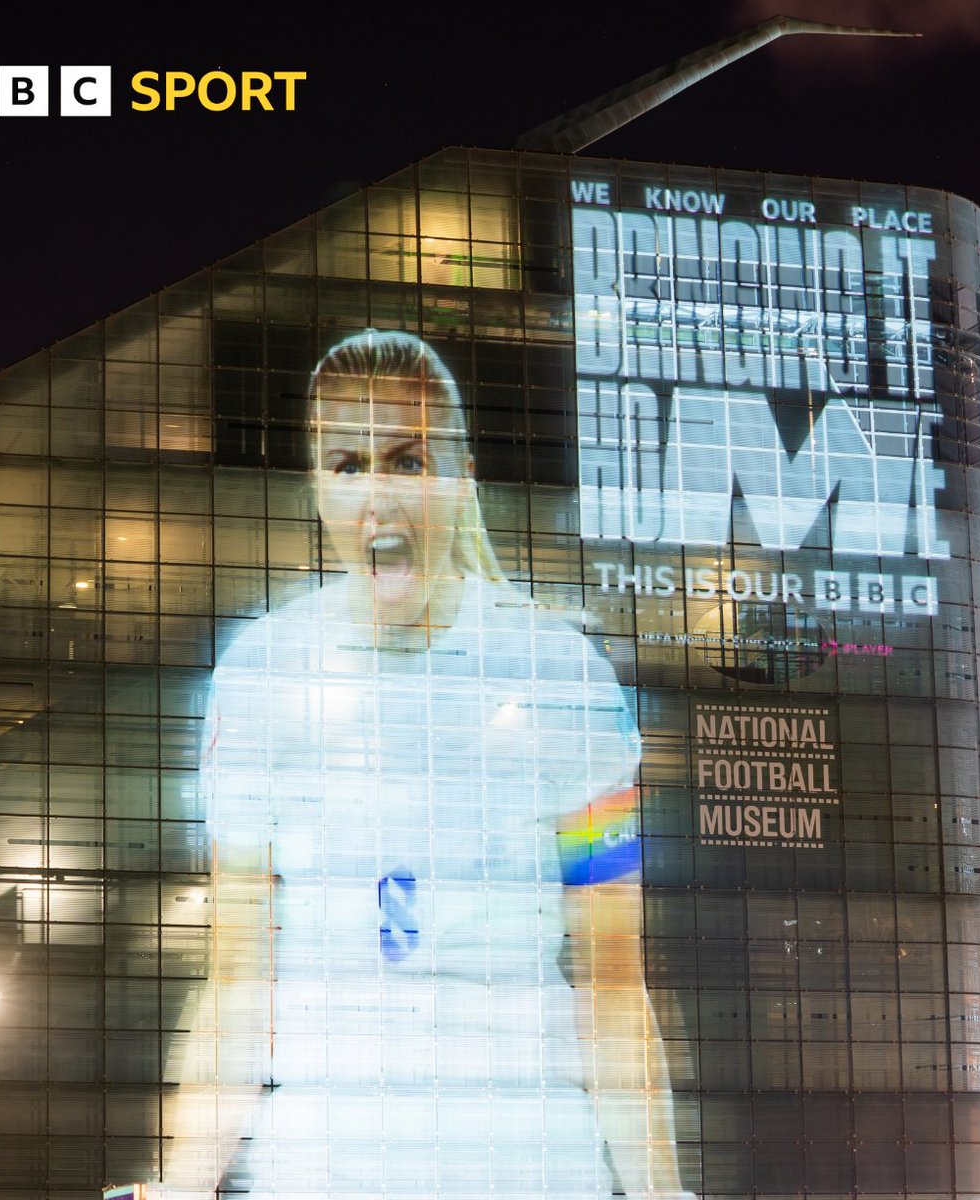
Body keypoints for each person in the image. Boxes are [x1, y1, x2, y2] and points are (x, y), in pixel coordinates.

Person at [161, 329, 692, 1198]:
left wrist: (663, 1194)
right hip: (322, 1164)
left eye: (409, 461)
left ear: (460, 476)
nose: (378, 495)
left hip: (529, 1161)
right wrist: (180, 1189)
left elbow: (614, 985)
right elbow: (235, 984)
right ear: (316, 486)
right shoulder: (259, 677)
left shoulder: (566, 679)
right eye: (347, 463)